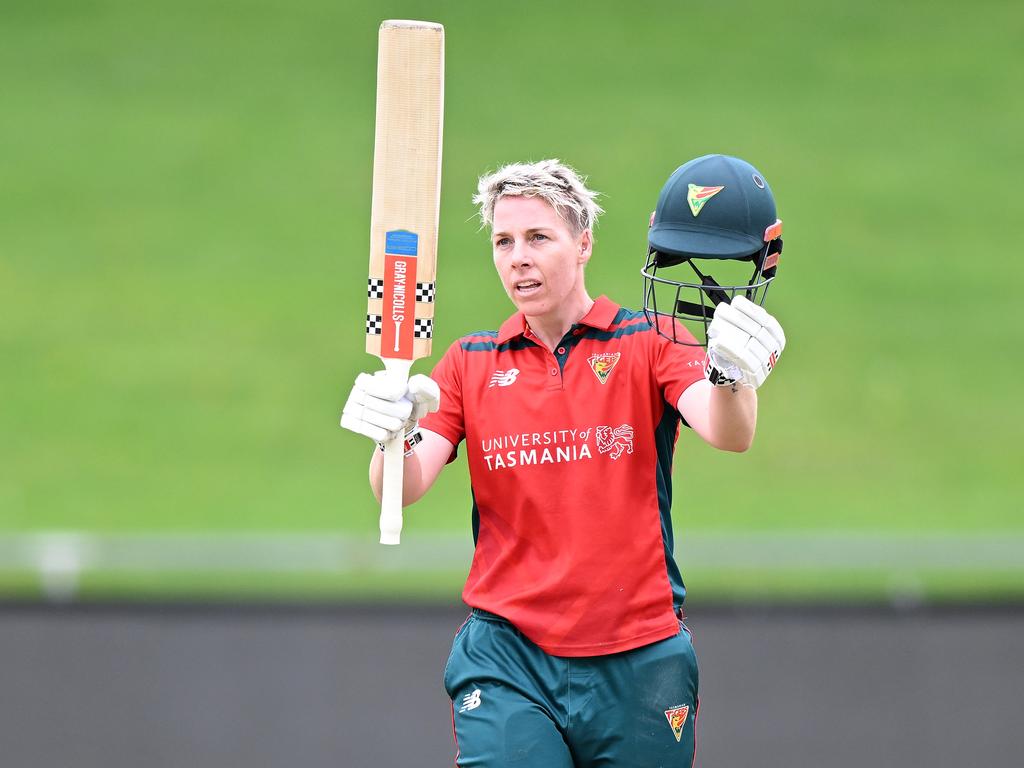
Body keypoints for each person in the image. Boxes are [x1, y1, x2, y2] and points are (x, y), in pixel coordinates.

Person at [340, 155, 786, 767]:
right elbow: (403, 485)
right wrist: (392, 434)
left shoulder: (647, 342)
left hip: (639, 657)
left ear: (583, 244)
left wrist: (734, 377)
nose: (517, 257)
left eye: (537, 237)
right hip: (508, 656)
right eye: (503, 241)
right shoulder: (470, 363)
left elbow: (727, 430)